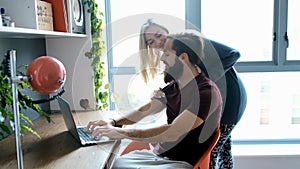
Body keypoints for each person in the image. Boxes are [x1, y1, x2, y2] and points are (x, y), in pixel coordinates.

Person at [86, 31, 223, 168]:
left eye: (167, 54)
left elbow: (172, 133)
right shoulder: (175, 87)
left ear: (183, 57)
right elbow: (144, 111)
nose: (162, 59)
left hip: (180, 162)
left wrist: (121, 133)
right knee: (113, 163)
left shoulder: (207, 93)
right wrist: (114, 122)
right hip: (161, 156)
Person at [139, 19, 247, 169]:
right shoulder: (172, 55)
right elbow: (178, 83)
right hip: (217, 99)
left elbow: (233, 54)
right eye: (151, 41)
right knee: (223, 151)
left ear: (166, 29)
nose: (158, 41)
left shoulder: (192, 42)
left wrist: (206, 78)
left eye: (158, 35)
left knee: (211, 151)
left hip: (230, 96)